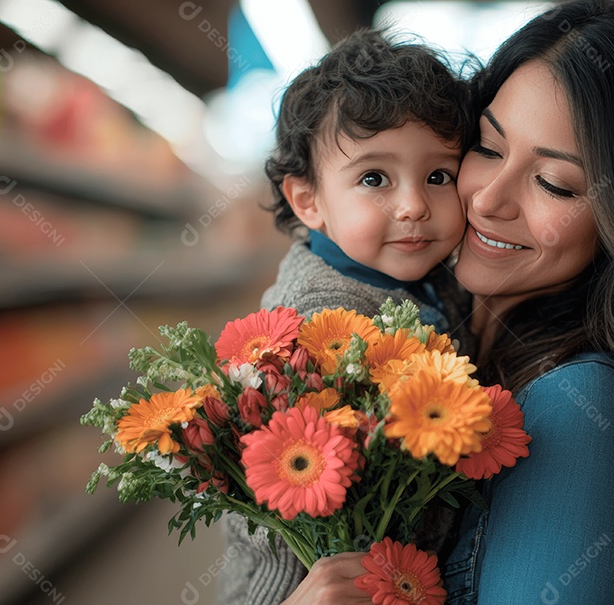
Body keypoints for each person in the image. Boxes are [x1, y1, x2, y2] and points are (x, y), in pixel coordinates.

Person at [283, 1, 614, 604]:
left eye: (555, 184)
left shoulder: (578, 408)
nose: (487, 199)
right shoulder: (428, 316)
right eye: (487, 148)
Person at [218, 29, 472, 605]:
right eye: (374, 178)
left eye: (439, 176)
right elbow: (271, 516)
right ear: (308, 201)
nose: (414, 205)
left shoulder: (423, 279)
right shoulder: (314, 326)